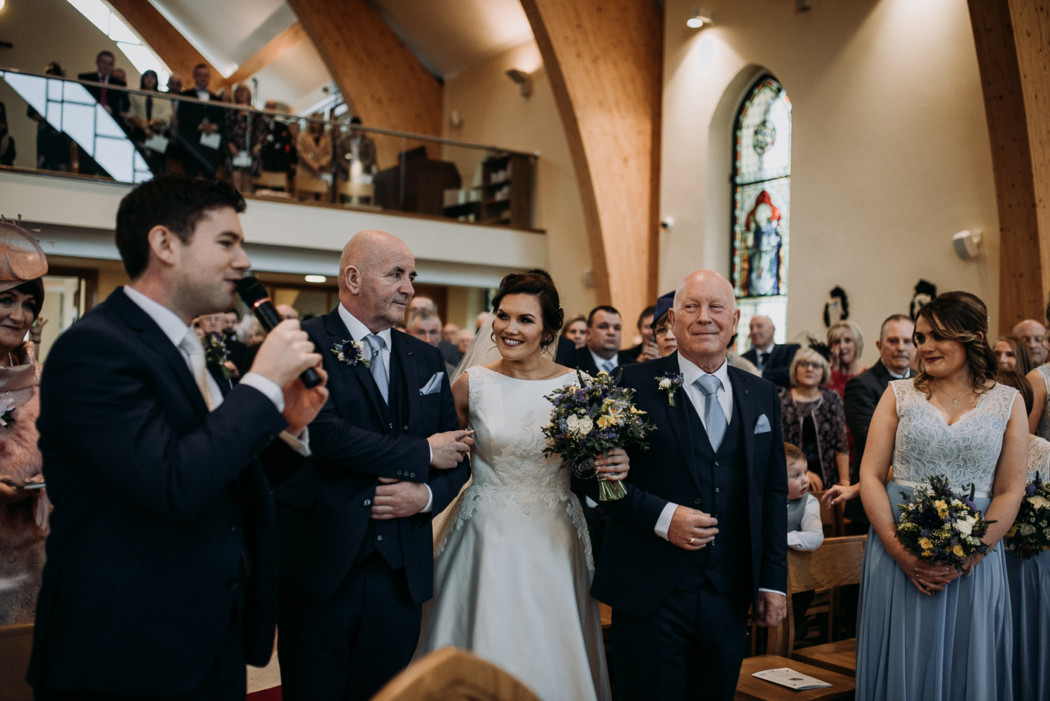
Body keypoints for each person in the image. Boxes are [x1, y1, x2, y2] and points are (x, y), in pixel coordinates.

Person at [28, 175, 327, 699]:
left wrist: (286, 427)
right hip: (126, 651)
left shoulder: (190, 345)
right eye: (227, 242)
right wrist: (260, 384)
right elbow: (173, 482)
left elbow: (222, 475)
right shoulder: (95, 350)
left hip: (210, 639)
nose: (244, 261)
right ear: (165, 244)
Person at [274, 229, 472, 701]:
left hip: (399, 571)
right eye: (396, 274)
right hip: (322, 560)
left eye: (413, 276)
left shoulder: (425, 359)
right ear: (353, 278)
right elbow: (325, 435)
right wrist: (422, 454)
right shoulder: (303, 343)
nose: (410, 288)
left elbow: (458, 457)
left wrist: (424, 496)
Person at [416, 271, 625, 700]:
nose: (510, 329)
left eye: (525, 320)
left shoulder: (579, 388)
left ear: (548, 329)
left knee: (551, 643)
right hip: (484, 533)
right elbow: (446, 457)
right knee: (487, 633)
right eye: (503, 316)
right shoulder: (471, 385)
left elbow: (587, 467)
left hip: (554, 534)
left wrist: (611, 462)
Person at [590, 269, 787, 700]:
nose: (705, 318)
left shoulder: (762, 394)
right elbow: (591, 479)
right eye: (692, 307)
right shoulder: (628, 384)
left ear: (734, 321)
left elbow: (771, 495)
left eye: (716, 307)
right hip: (650, 590)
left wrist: (772, 581)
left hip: (729, 593)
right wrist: (663, 518)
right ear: (674, 321)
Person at [855, 291, 1027, 700]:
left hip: (976, 558)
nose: (925, 347)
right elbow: (871, 475)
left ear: (973, 337)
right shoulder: (898, 394)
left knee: (967, 664)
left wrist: (972, 555)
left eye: (938, 336)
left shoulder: (1008, 402)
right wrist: (901, 552)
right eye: (920, 337)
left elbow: (1009, 490)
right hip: (897, 551)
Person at [0, 219, 49, 625]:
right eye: (7, 301)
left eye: (29, 303)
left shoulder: (42, 382)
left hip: (35, 559)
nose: (20, 315)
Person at [995, 368, 1050, 701]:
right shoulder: (982, 445)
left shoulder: (1042, 450)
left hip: (1033, 562)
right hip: (992, 559)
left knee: (1032, 637)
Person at [842, 314, 916, 528]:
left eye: (908, 341)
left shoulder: (927, 383)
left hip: (914, 499)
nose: (901, 347)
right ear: (879, 345)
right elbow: (868, 438)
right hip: (873, 494)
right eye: (893, 341)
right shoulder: (861, 385)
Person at [780, 347, 848, 492]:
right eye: (804, 364)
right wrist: (803, 473)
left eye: (816, 365)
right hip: (789, 478)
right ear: (795, 369)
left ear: (824, 371)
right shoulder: (781, 400)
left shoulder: (832, 399)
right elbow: (777, 446)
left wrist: (844, 480)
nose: (809, 369)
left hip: (829, 480)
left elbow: (841, 443)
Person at [784, 442, 823, 641]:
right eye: (796, 475)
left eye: (805, 473)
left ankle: (796, 628)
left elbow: (816, 536)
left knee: (800, 598)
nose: (805, 480)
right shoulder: (765, 500)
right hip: (769, 578)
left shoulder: (809, 502)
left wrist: (784, 539)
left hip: (799, 580)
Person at [177, 64, 223, 178]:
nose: (203, 78)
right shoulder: (185, 96)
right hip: (192, 147)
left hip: (210, 149)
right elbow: (182, 117)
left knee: (210, 183)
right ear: (194, 76)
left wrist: (214, 127)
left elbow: (222, 120)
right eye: (199, 75)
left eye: (206, 76)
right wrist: (199, 126)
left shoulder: (217, 99)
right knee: (190, 180)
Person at [127, 69, 174, 174]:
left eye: (152, 77)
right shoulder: (135, 95)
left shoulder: (163, 97)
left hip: (157, 133)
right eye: (147, 77)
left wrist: (151, 123)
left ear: (156, 80)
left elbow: (167, 115)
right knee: (140, 161)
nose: (149, 79)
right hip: (140, 132)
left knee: (157, 164)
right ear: (142, 79)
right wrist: (144, 127)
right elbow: (131, 113)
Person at [223, 83, 266, 193]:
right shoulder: (231, 111)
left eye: (244, 91)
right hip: (235, 150)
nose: (241, 93)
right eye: (238, 91)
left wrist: (258, 145)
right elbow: (225, 129)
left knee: (247, 184)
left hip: (250, 151)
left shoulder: (255, 113)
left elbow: (262, 131)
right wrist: (230, 144)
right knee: (235, 183)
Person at [569, 305, 636, 375]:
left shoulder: (632, 366)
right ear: (588, 333)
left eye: (617, 328)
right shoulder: (572, 364)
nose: (611, 333)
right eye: (603, 327)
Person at [742, 314, 799, 387]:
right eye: (751, 328)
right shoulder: (743, 358)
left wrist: (758, 373)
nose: (754, 331)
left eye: (759, 326)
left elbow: (790, 373)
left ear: (772, 329)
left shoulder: (789, 351)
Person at [826, 320, 865, 397]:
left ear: (857, 344)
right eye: (837, 342)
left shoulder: (867, 376)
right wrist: (835, 367)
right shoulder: (825, 376)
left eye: (847, 340)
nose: (842, 346)